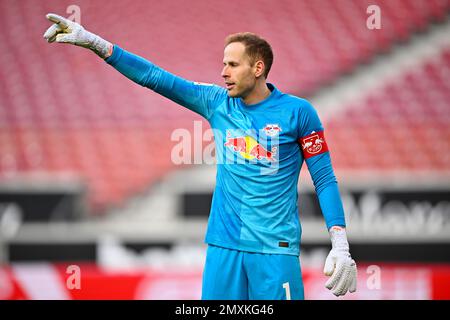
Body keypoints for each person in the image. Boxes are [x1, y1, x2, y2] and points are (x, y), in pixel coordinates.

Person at [43, 13, 357, 300]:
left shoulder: (299, 113)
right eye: (223, 64)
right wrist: (96, 44)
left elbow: (324, 179)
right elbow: (155, 77)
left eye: (233, 65)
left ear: (258, 68)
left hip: (276, 251)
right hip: (224, 247)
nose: (223, 73)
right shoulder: (216, 101)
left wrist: (340, 243)